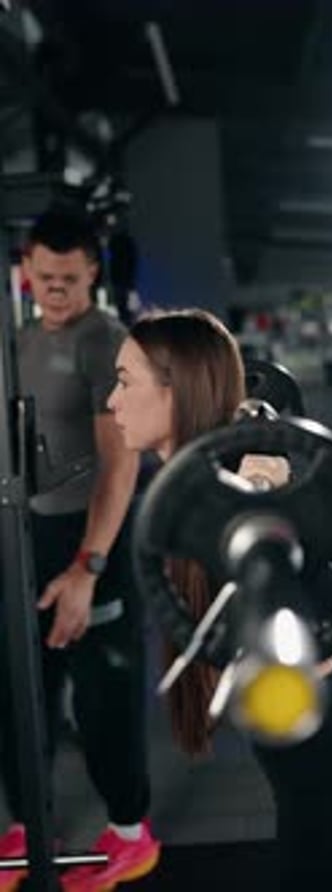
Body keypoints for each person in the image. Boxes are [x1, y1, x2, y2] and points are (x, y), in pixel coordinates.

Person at [107, 308, 332, 891]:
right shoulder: (189, 497)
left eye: (124, 381)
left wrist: (281, 514)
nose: (112, 401)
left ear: (176, 392)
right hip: (304, 759)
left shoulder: (242, 501)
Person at [0, 208, 160, 892]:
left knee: (103, 698)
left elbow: (119, 467)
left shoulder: (109, 342)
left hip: (95, 539)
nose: (56, 291)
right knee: (17, 689)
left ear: (92, 271)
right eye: (43, 278)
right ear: (25, 271)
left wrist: (87, 567)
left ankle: (131, 833)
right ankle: (26, 822)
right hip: (25, 537)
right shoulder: (20, 339)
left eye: (69, 278)